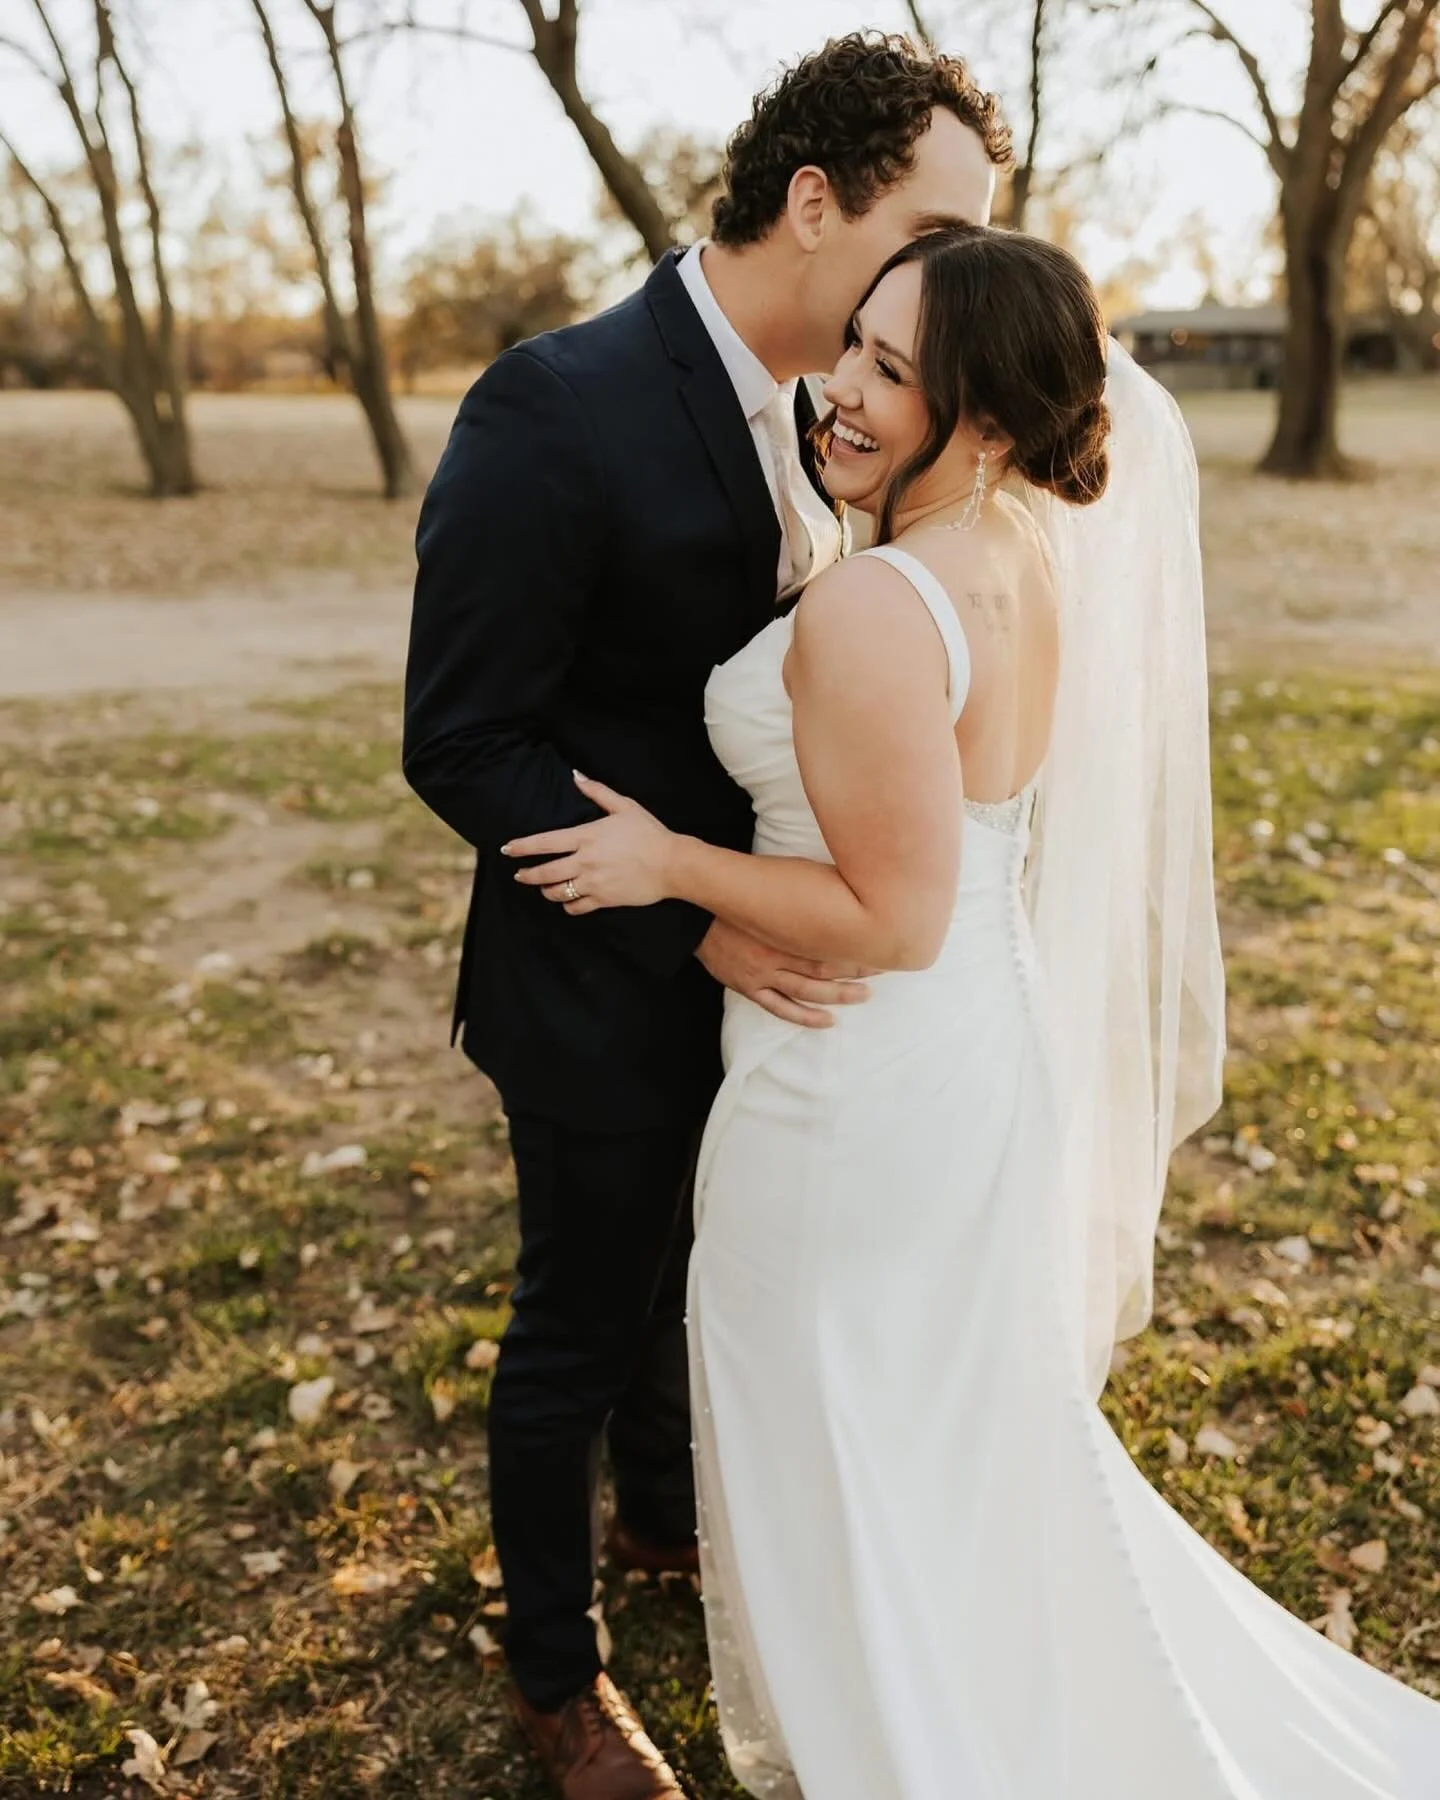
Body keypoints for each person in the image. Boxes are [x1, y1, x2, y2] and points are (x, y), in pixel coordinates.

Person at [504, 226, 1440, 1798]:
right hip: (966, 1059)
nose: (842, 391)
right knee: (930, 1430)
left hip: (857, 1078)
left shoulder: (882, 608)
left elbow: (891, 918)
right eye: (852, 345)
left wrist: (672, 862)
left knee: (851, 1432)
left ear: (989, 424)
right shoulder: (1013, 550)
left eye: (891, 372)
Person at [402, 32, 1010, 1800]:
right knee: (578, 1318)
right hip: (597, 969)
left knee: (689, 1280)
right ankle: (555, 1677)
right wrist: (689, 926)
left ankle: (667, 1525)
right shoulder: (556, 401)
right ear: (812, 200)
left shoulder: (865, 411)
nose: (947, 276)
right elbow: (461, 737)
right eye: (931, 226)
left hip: (769, 963)